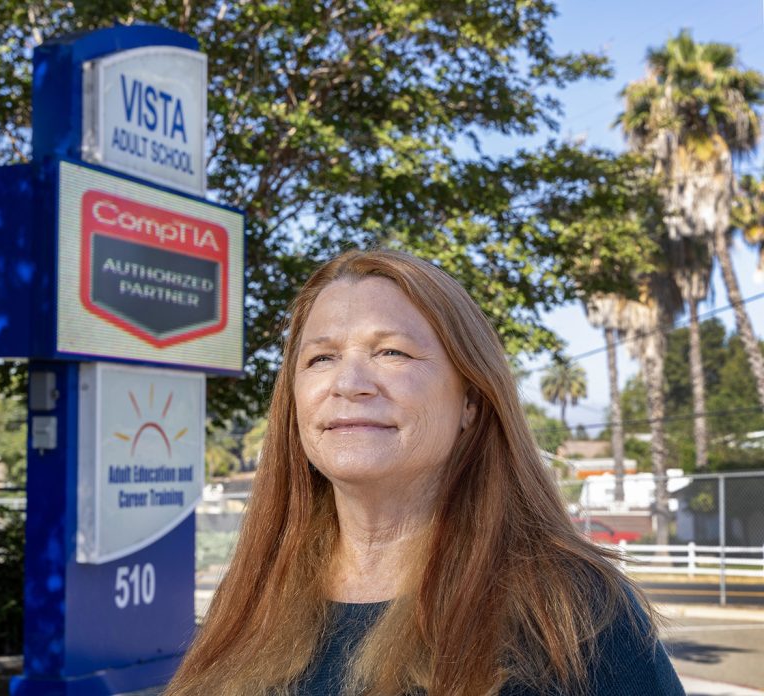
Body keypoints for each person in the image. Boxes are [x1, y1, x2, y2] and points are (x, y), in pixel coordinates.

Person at [165, 249, 684, 696]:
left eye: (392, 352)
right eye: (321, 358)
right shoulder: (255, 594)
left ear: (472, 402)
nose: (349, 383)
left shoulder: (574, 609)